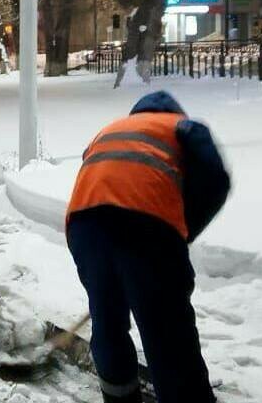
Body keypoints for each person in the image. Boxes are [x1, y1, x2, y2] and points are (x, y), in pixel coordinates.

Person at [66, 91, 230, 403]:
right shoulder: (182, 126)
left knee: (108, 322)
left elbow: (103, 169)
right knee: (167, 328)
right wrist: (185, 229)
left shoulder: (110, 129)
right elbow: (215, 179)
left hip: (83, 225)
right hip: (145, 226)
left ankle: (119, 398)